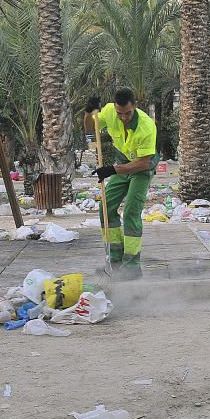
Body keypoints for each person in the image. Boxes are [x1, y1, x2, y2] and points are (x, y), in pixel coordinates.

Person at [85, 88, 159, 280]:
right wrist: (89, 111)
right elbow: (89, 129)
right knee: (105, 209)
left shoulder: (146, 126)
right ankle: (115, 261)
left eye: (128, 113)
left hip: (141, 169)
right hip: (122, 164)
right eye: (120, 114)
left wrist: (112, 170)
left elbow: (143, 163)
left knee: (131, 212)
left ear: (134, 106)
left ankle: (132, 267)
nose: (124, 117)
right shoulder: (109, 111)